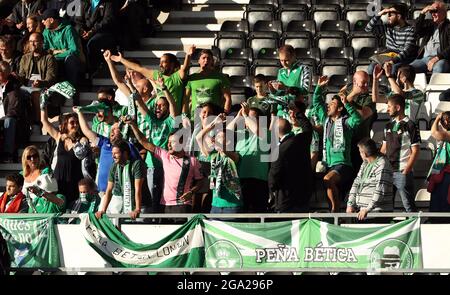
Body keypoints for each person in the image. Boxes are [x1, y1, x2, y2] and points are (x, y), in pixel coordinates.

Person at [127, 121, 203, 216]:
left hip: (182, 206)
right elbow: (144, 142)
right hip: (164, 205)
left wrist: (191, 192)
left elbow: (200, 181)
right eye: (168, 142)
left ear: (182, 143)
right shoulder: (164, 155)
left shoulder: (192, 161)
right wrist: (134, 125)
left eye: (173, 142)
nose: (169, 145)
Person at [313, 76, 362, 212]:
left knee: (328, 180)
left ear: (340, 108)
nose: (328, 105)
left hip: (343, 164)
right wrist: (319, 87)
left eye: (332, 104)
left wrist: (347, 103)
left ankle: (335, 210)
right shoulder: (326, 120)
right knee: (329, 186)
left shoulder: (346, 122)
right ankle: (334, 214)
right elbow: (317, 103)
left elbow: (358, 120)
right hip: (328, 164)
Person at [73, 107, 139, 195]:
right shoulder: (104, 142)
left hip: (119, 194)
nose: (112, 132)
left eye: (115, 130)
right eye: (111, 130)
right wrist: (79, 112)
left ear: (122, 132)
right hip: (101, 192)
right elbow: (86, 131)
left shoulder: (129, 147)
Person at [110, 45, 194, 115]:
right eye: (160, 62)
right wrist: (121, 60)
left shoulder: (177, 77)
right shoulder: (157, 75)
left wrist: (188, 55)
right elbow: (139, 68)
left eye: (163, 62)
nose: (160, 65)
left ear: (172, 64)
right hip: (159, 118)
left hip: (173, 118)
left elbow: (185, 68)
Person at [41, 104, 88, 207]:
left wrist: (78, 143)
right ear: (66, 124)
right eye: (72, 122)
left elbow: (84, 150)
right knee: (58, 207)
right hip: (59, 179)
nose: (75, 125)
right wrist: (43, 104)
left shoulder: (81, 140)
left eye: (76, 123)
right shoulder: (58, 137)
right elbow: (44, 121)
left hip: (74, 180)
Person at [227, 103, 271, 213]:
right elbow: (228, 129)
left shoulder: (265, 133)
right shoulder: (241, 133)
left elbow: (256, 130)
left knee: (258, 213)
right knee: (243, 213)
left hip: (259, 180)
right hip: (240, 180)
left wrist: (246, 115)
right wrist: (239, 116)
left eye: (252, 117)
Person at [380, 94, 420, 212]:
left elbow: (416, 151)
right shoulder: (387, 125)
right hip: (388, 171)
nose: (387, 109)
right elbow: (383, 149)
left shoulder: (411, 125)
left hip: (402, 171)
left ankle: (414, 229)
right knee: (386, 206)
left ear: (398, 108)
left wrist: (406, 170)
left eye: (389, 106)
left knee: (408, 205)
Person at [196, 114, 243, 214]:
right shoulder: (213, 156)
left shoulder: (235, 156)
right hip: (215, 206)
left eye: (220, 137)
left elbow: (226, 151)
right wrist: (212, 125)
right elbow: (198, 138)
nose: (215, 139)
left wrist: (219, 145)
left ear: (229, 141)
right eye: (215, 138)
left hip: (232, 206)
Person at [268, 118, 313, 213]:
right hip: (304, 198)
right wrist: (298, 114)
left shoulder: (280, 150)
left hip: (286, 201)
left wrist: (272, 189)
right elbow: (308, 128)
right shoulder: (302, 139)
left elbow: (274, 175)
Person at [95, 140, 145, 220]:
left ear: (125, 153)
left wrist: (137, 209)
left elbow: (137, 189)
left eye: (116, 153)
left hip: (141, 206)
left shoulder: (136, 164)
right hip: (126, 205)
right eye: (112, 153)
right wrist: (103, 210)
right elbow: (109, 190)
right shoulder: (114, 166)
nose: (113, 156)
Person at [347, 138, 394, 220]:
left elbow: (380, 190)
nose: (360, 155)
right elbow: (356, 183)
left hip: (377, 213)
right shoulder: (365, 163)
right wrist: (350, 204)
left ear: (364, 153)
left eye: (360, 152)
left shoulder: (382, 164)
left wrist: (367, 209)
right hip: (362, 212)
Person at [365, 3, 418, 76]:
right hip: (389, 55)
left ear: (399, 16)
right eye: (388, 14)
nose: (388, 16)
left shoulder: (410, 30)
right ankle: (373, 86)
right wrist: (379, 14)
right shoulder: (388, 27)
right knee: (372, 67)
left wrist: (392, 61)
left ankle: (392, 87)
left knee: (393, 68)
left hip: (403, 58)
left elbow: (406, 51)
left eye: (391, 14)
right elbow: (368, 29)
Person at [18, 32, 57, 126]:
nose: (32, 44)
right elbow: (22, 76)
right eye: (30, 41)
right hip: (27, 86)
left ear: (42, 42)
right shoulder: (25, 58)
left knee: (36, 93)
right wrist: (17, 78)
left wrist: (41, 83)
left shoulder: (49, 58)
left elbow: (51, 78)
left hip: (43, 86)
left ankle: (38, 123)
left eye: (35, 41)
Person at [40, 8, 84, 87]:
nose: (42, 22)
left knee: (71, 59)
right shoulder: (46, 32)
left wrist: (56, 54)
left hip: (73, 61)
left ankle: (72, 88)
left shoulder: (69, 29)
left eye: (44, 19)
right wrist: (60, 52)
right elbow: (44, 50)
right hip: (56, 60)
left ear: (51, 20)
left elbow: (74, 50)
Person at [184, 49, 232, 119]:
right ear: (199, 61)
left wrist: (225, 114)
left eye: (209, 58)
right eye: (203, 58)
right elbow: (185, 99)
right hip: (195, 119)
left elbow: (228, 98)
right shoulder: (191, 78)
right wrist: (184, 116)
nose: (206, 60)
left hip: (214, 117)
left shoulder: (220, 78)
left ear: (212, 61)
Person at [74, 0, 116, 76]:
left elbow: (107, 20)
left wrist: (92, 31)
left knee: (92, 43)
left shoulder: (107, 2)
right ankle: (81, 72)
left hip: (102, 32)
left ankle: (93, 70)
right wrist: (81, 30)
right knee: (75, 43)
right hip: (85, 32)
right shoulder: (82, 2)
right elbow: (77, 21)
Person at [270, 45, 311, 119]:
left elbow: (305, 91)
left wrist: (286, 88)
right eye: (281, 60)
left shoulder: (304, 69)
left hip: (296, 111)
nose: (284, 63)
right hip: (281, 111)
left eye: (286, 60)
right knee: (271, 128)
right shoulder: (281, 71)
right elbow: (280, 93)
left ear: (293, 56)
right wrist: (273, 91)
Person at [21, 145, 65, 214]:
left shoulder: (46, 172)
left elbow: (52, 190)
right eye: (29, 157)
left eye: (35, 156)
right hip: (28, 210)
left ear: (38, 157)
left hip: (45, 206)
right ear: (25, 160)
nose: (32, 159)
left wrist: (40, 192)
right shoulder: (21, 175)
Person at [411, 1, 450, 73]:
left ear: (444, 12)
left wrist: (437, 58)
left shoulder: (448, 26)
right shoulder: (429, 24)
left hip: (441, 59)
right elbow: (416, 31)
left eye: (435, 11)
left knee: (439, 67)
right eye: (431, 12)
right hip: (424, 59)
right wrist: (423, 13)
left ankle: (434, 84)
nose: (433, 14)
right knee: (407, 69)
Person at [0, 61, 28, 163]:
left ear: (3, 74)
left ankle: (9, 154)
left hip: (14, 124)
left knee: (9, 121)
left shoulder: (14, 89)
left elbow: (13, 111)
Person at [428, 111, 450, 212]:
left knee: (443, 200)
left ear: (445, 121)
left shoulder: (448, 134)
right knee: (437, 198)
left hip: (447, 172)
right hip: (441, 170)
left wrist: (437, 119)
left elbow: (433, 132)